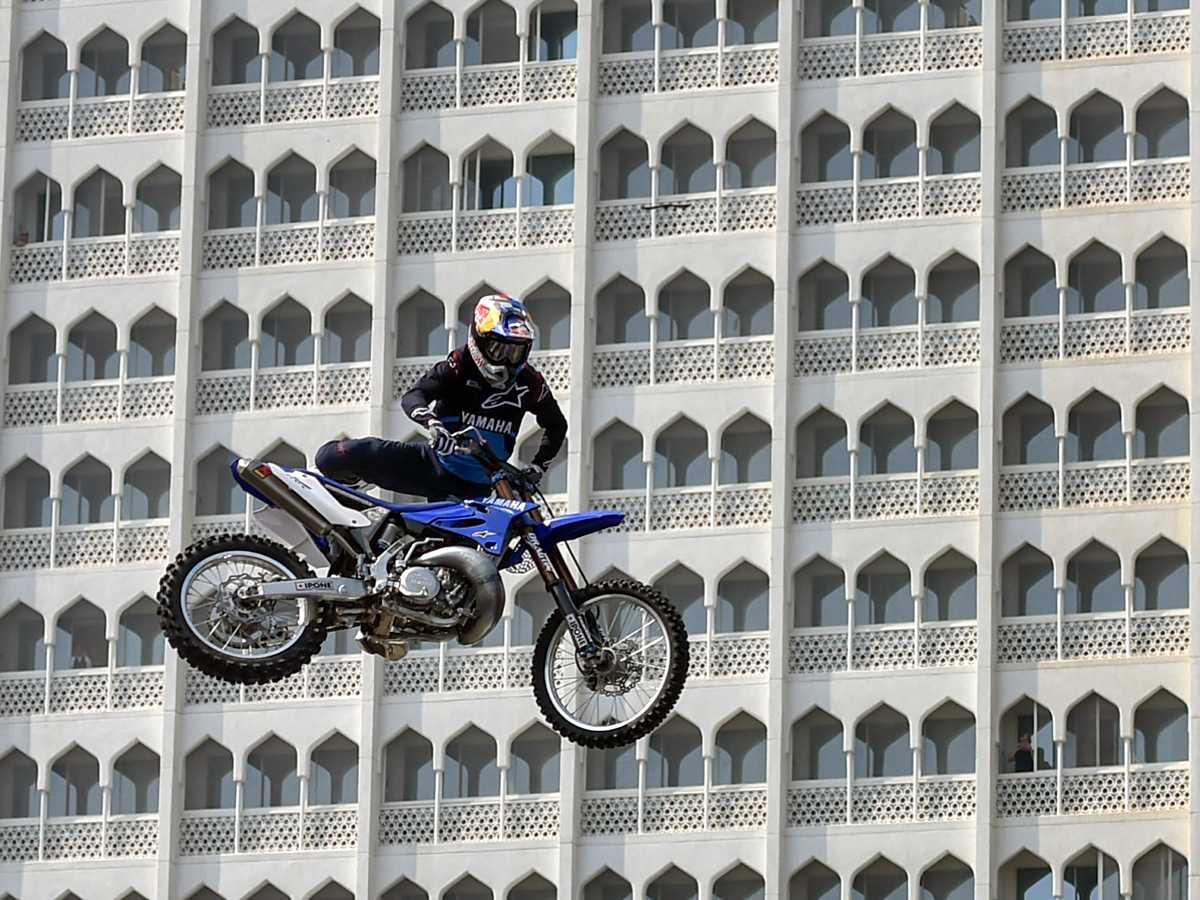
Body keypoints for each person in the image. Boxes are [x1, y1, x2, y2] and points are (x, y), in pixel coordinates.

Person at [316, 294, 566, 501]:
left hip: (480, 491)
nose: (506, 360)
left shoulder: (531, 382)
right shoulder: (459, 363)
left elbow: (557, 425)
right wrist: (433, 425)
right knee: (333, 457)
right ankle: (344, 488)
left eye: (515, 352)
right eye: (499, 349)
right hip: (431, 466)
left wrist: (538, 467)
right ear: (479, 340)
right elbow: (415, 395)